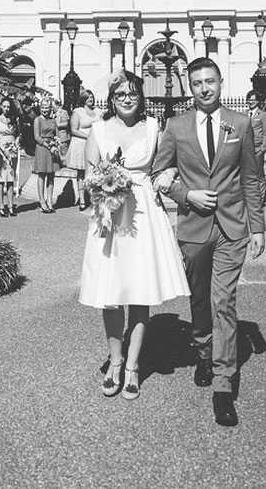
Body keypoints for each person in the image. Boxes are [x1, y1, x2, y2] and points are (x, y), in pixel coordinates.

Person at [152, 57, 265, 428]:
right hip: (193, 227)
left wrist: (258, 227)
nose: (204, 88)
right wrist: (187, 196)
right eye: (197, 82)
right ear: (190, 87)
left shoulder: (241, 124)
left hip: (232, 228)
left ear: (221, 82)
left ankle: (222, 385)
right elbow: (159, 174)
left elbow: (251, 177)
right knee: (200, 298)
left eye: (210, 81)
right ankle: (203, 348)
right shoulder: (175, 126)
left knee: (223, 301)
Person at [79, 71, 189, 402]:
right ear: (111, 98)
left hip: (143, 211)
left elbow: (166, 166)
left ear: (140, 96)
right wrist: (100, 185)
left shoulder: (154, 128)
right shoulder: (98, 129)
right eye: (120, 94)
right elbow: (88, 175)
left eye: (133, 93)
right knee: (111, 291)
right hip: (108, 213)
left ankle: (132, 367)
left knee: (139, 291)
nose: (127, 99)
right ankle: (115, 362)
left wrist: (168, 176)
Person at [67, 89, 99, 211]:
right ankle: (82, 199)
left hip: (94, 143)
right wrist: (88, 136)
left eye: (92, 97)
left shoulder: (98, 111)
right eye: (88, 97)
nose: (90, 99)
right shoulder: (78, 112)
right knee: (81, 172)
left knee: (94, 171)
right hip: (81, 142)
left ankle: (94, 198)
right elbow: (74, 129)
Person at [0, 97, 21, 217]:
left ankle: (10, 205)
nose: (6, 109)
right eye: (4, 106)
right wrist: (3, 150)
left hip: (12, 149)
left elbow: (18, 134)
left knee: (10, 177)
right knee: (1, 177)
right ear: (1, 107)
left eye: (8, 106)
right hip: (1, 150)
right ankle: (1, 206)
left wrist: (16, 144)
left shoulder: (15, 120)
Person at [33, 95, 60, 213]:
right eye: (43, 107)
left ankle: (49, 200)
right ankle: (42, 200)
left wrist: (55, 144)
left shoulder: (53, 120)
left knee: (51, 175)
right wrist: (47, 145)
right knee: (42, 174)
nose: (45, 110)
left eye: (47, 108)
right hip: (42, 148)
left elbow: (57, 134)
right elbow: (37, 137)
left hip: (52, 147)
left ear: (50, 108)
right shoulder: (37, 120)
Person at [246, 90, 266, 205]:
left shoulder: (263, 115)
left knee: (259, 174)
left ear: (258, 101)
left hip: (257, 149)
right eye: (249, 99)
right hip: (246, 149)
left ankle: (260, 200)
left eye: (253, 100)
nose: (251, 102)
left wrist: (263, 148)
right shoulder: (244, 114)